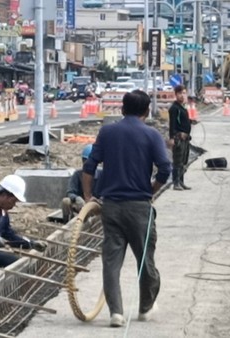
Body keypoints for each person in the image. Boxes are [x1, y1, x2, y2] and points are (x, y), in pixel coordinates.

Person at [82, 90, 171, 328]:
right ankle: (145, 308)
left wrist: (89, 196)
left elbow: (89, 166)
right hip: (139, 206)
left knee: (111, 261)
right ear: (146, 111)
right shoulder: (151, 135)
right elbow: (165, 168)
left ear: (122, 109)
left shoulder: (108, 132)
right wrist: (152, 189)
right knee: (145, 260)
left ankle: (116, 313)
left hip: (110, 206)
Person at [61, 144, 101, 223]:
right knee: (66, 201)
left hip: (96, 207)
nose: (86, 164)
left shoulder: (102, 175)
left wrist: (97, 202)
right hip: (81, 205)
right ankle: (67, 223)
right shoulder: (77, 175)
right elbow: (70, 192)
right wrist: (76, 198)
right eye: (84, 160)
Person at [168, 84, 192, 191]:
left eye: (184, 93)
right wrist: (173, 137)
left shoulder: (183, 107)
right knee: (177, 161)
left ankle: (181, 182)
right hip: (179, 138)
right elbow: (172, 124)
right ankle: (176, 183)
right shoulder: (174, 108)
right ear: (176, 94)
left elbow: (183, 121)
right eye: (180, 93)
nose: (182, 95)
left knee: (183, 161)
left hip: (186, 138)